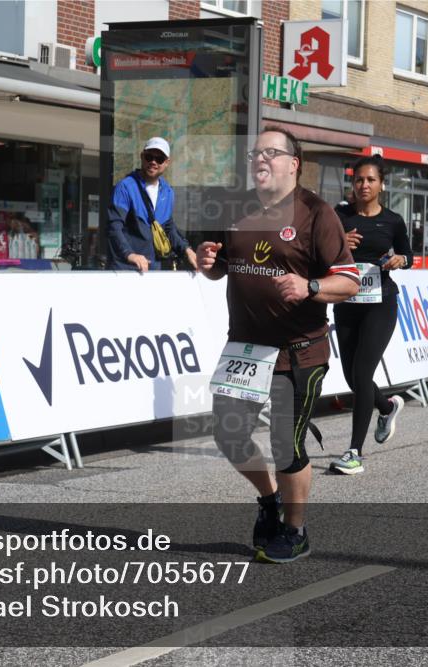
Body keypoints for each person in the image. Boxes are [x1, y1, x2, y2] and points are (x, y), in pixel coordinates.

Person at [197, 127, 358, 563]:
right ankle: (269, 502)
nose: (260, 160)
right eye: (256, 153)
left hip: (297, 349)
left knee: (286, 445)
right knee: (230, 436)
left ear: (294, 163)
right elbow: (221, 265)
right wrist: (208, 264)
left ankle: (295, 529)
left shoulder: (315, 213)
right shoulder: (236, 207)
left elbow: (350, 280)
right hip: (245, 351)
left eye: (271, 152)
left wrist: (310, 286)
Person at [328, 154, 411, 476]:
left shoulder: (392, 220)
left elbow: (409, 255)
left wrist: (400, 260)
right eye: (359, 179)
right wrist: (339, 243)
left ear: (382, 185)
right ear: (353, 183)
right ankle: (387, 406)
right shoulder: (339, 216)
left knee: (362, 373)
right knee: (352, 377)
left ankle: (353, 452)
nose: (364, 185)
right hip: (346, 301)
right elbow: (320, 253)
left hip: (381, 302)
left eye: (371, 180)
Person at [107, 137, 197, 272]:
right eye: (149, 157)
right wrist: (129, 254)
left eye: (159, 159)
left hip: (152, 269)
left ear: (167, 163)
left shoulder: (167, 192)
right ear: (142, 157)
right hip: (124, 269)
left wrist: (187, 250)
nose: (153, 162)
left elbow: (168, 228)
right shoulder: (125, 187)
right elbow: (113, 226)